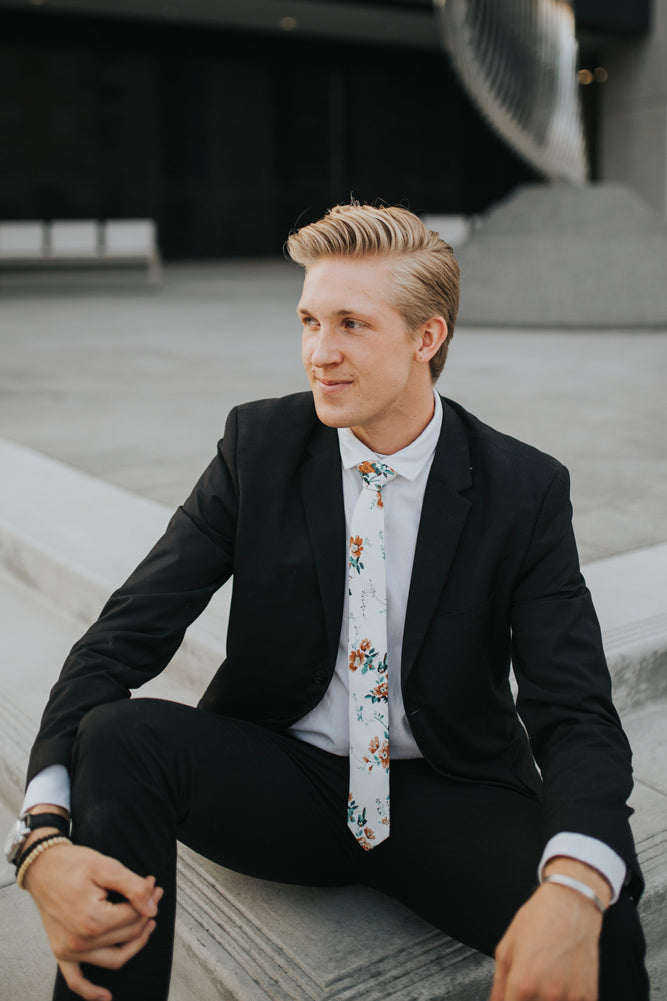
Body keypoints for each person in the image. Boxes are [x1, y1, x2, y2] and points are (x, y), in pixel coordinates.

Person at [5, 203, 648, 1001]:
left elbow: (575, 709)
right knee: (117, 736)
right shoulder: (259, 448)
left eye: (350, 324)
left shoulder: (522, 488)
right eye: (308, 320)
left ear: (426, 337)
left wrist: (575, 885)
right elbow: (122, 637)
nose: (319, 352)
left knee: (606, 919)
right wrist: (41, 839)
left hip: (445, 789)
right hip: (285, 781)